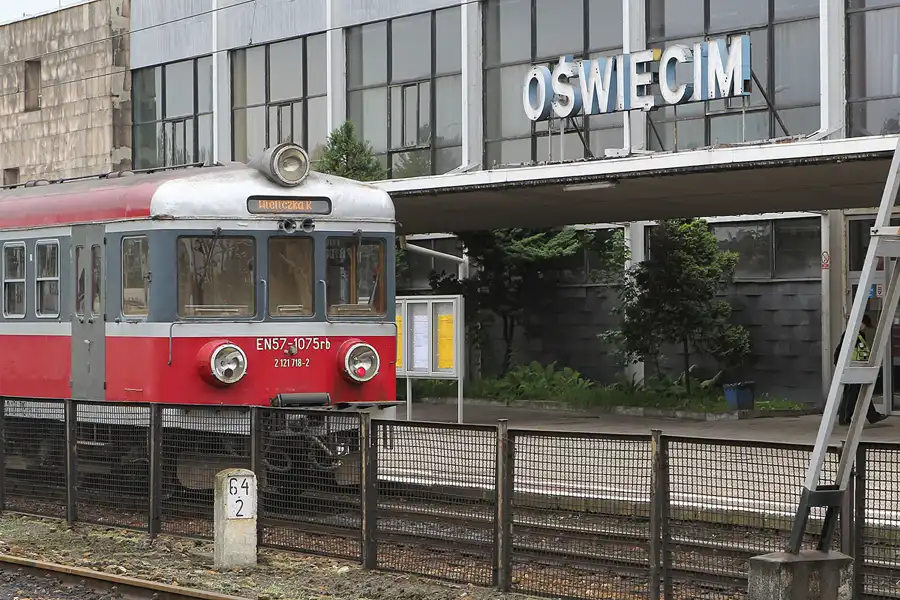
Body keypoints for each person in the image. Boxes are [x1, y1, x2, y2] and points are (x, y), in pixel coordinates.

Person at [834, 314, 888, 425]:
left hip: (856, 367)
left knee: (861, 392)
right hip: (852, 367)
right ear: (861, 323)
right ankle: (846, 418)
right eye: (864, 325)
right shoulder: (851, 334)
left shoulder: (859, 335)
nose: (864, 327)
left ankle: (871, 416)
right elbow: (841, 350)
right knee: (853, 394)